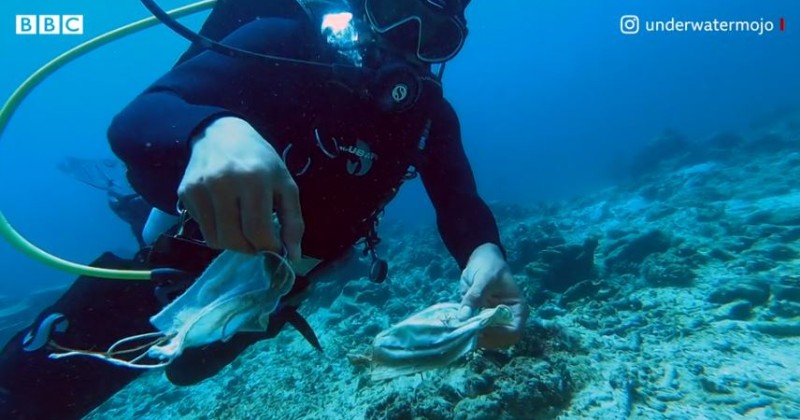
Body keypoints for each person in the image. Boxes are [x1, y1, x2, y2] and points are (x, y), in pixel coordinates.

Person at [0, 0, 528, 418]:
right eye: (395, 10)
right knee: (30, 399)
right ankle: (124, 199)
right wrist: (211, 129)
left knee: (189, 369)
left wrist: (484, 256)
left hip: (273, 295)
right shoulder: (280, 43)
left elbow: (460, 202)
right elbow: (139, 118)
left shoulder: (429, 115)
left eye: (434, 34)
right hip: (171, 268)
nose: (406, 43)